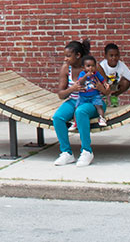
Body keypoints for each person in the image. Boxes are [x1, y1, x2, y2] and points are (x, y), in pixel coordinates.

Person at [51, 39, 106, 167]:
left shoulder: (92, 66)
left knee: (80, 112)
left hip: (94, 102)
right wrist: (72, 89)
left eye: (68, 56)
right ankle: (66, 153)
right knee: (58, 117)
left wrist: (100, 87)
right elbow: (60, 94)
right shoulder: (66, 69)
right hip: (74, 100)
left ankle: (87, 151)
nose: (65, 59)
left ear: (78, 56)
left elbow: (107, 88)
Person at [68, 55, 110, 131]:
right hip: (83, 96)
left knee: (99, 106)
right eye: (88, 66)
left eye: (93, 66)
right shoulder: (82, 74)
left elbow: (102, 80)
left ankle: (102, 118)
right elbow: (80, 82)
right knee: (77, 108)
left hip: (94, 95)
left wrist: (105, 84)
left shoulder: (96, 73)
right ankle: (75, 122)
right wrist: (85, 76)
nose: (90, 68)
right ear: (83, 68)